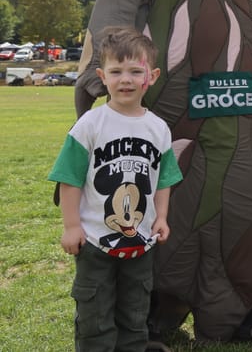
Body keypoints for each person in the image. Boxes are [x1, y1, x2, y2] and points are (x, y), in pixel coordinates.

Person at [48, 27, 183, 352]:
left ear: (150, 76)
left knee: (135, 314)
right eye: (116, 71)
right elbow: (70, 178)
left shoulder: (158, 129)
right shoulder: (90, 125)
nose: (126, 79)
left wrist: (161, 217)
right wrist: (71, 226)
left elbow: (163, 178)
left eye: (135, 71)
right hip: (95, 242)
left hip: (140, 242)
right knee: (95, 314)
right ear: (101, 76)